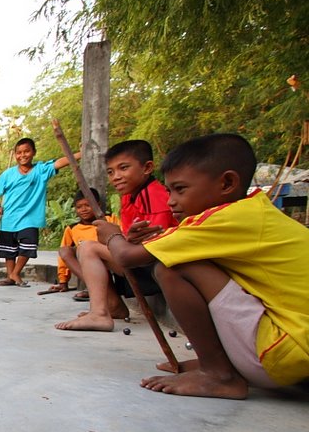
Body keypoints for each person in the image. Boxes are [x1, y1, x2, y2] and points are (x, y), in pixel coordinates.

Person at [96, 133, 309, 399]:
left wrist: (112, 235)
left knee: (173, 268)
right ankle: (225, 363)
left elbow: (126, 257)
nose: (171, 200)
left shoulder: (222, 219)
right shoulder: (253, 211)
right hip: (297, 349)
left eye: (181, 189)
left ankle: (219, 374)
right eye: (170, 190)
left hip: (281, 351)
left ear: (227, 183)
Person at [54, 139, 176, 331]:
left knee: (88, 248)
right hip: (137, 258)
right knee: (73, 250)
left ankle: (99, 314)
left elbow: (154, 241)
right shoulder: (128, 196)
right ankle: (113, 306)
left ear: (147, 168)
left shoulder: (153, 195)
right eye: (110, 172)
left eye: (124, 168)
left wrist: (117, 238)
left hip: (154, 263)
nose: (116, 177)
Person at [0, 137, 77, 287]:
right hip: (9, 217)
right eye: (19, 152)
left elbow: (60, 162)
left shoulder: (41, 170)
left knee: (28, 245)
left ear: (33, 153)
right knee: (8, 250)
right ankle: (10, 276)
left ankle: (16, 273)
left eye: (26, 151)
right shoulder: (8, 174)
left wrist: (80, 153)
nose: (22, 155)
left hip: (29, 218)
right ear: (15, 154)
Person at [45, 187, 119, 297]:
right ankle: (93, 287)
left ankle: (99, 291)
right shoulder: (72, 229)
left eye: (88, 205)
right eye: (79, 207)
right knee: (65, 251)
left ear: (97, 205)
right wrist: (63, 281)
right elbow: (63, 257)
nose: (83, 209)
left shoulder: (110, 220)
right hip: (89, 265)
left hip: (111, 260)